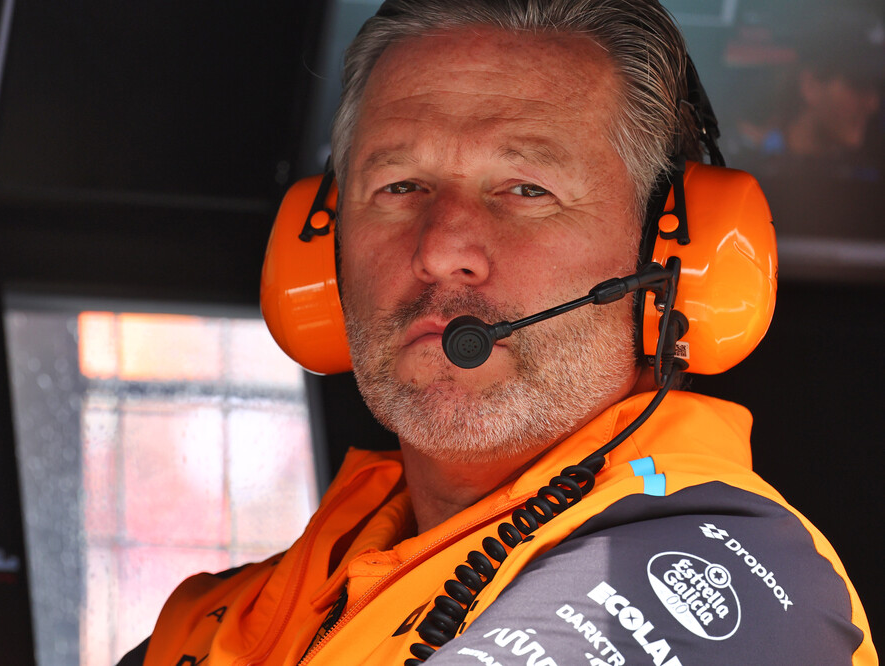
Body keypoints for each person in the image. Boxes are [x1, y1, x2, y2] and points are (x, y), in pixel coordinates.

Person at [124, 1, 877, 664]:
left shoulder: (747, 589)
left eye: (526, 189)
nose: (440, 248)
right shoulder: (215, 618)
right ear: (319, 249)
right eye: (400, 187)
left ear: (674, 259)